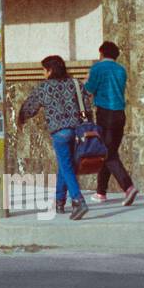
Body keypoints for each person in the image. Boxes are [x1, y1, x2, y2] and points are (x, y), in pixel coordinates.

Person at [16, 55, 93, 220]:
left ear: (50, 70)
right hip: (77, 131)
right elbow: (87, 106)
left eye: (44, 70)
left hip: (60, 133)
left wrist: (21, 118)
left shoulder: (44, 87)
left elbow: (31, 106)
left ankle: (78, 200)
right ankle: (60, 201)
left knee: (66, 166)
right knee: (64, 165)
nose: (43, 73)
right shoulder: (75, 83)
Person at [82, 40, 139, 206]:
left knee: (107, 152)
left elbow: (89, 89)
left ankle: (128, 187)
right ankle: (101, 192)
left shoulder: (97, 68)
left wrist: (86, 80)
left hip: (105, 114)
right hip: (120, 114)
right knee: (109, 150)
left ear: (101, 53)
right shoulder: (121, 70)